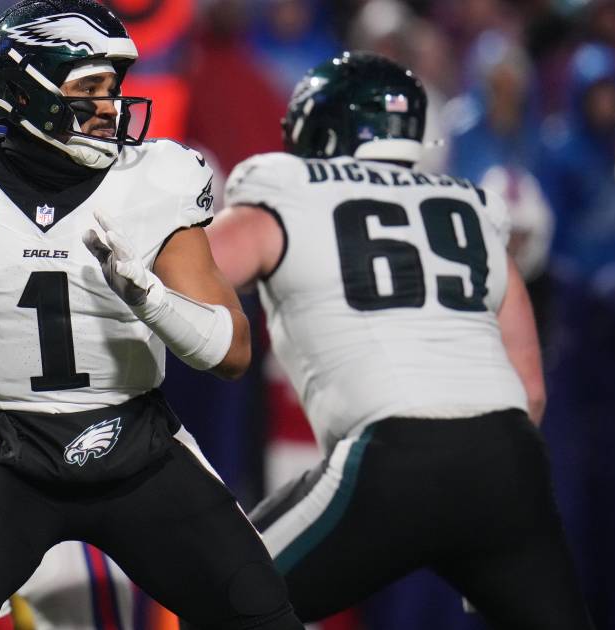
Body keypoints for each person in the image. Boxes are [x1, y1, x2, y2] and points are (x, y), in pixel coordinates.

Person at [0, 1, 303, 629]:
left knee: (262, 614)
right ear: (27, 92)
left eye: (113, 87)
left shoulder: (156, 177)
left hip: (136, 447)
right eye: (89, 88)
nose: (111, 106)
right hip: (6, 454)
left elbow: (233, 351)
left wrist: (151, 299)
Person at [207, 51, 593, 630]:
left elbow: (192, 273)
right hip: (509, 461)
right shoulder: (470, 209)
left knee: (217, 598)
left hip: (393, 453)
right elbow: (530, 388)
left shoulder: (286, 192)